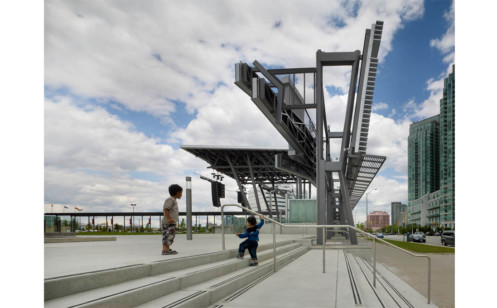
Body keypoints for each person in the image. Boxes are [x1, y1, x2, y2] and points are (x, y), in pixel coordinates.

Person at [161, 184, 183, 255]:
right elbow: (166, 209)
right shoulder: (170, 200)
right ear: (177, 193)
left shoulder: (173, 200)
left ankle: (167, 249)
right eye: (181, 192)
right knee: (167, 236)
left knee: (170, 236)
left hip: (171, 223)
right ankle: (165, 250)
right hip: (168, 223)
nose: (181, 194)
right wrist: (169, 218)